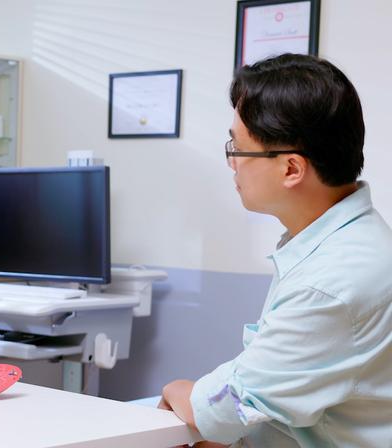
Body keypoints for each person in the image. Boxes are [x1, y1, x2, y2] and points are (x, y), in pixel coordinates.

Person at [160, 53, 392, 447]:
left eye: (238, 147)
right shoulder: (336, 243)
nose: (232, 162)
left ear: (291, 169)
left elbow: (224, 408)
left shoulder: (334, 281)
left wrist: (176, 389)